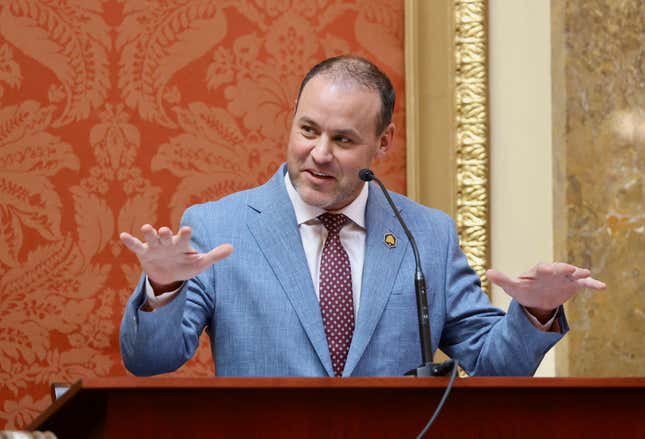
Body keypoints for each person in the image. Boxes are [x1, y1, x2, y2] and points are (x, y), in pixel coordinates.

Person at [119, 55, 605, 377]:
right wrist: (162, 290)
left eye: (344, 140)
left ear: (383, 142)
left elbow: (493, 364)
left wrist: (535, 313)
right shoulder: (218, 226)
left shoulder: (427, 235)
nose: (320, 154)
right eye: (308, 130)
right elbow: (148, 361)